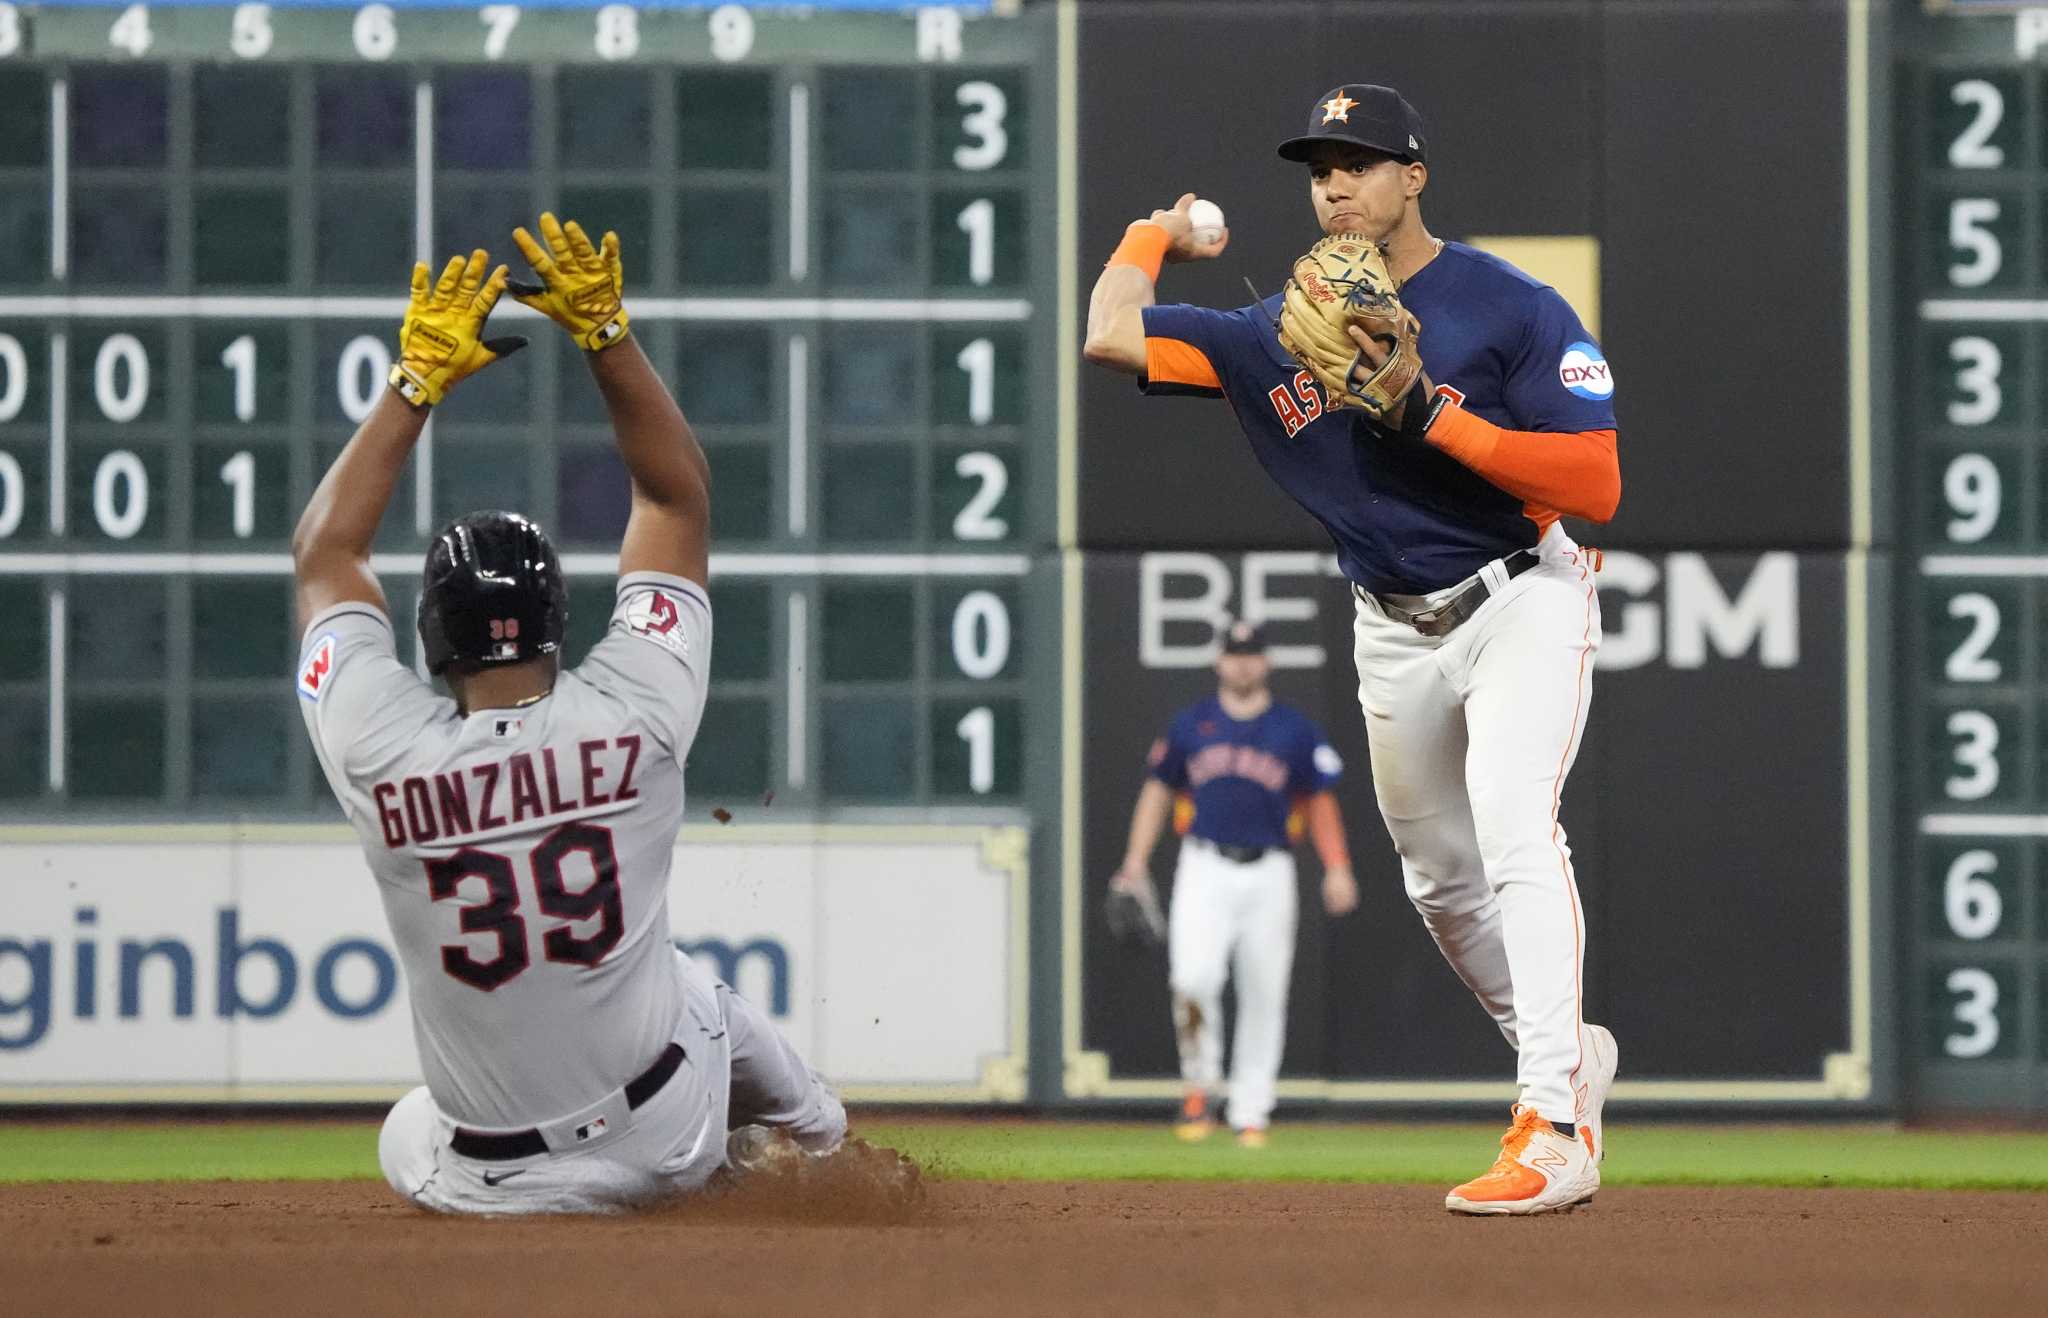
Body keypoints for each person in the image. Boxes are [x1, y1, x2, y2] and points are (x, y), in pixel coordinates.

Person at [1083, 85, 1622, 1215]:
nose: (1334, 182)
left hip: (1519, 593)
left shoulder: (1504, 306)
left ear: (1412, 175)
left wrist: (1431, 413)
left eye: (1361, 160)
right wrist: (1157, 233)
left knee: (1516, 821)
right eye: (1319, 164)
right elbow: (1108, 332)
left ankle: (1554, 1122)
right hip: (1390, 624)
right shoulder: (1267, 333)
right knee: (1437, 884)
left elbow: (1594, 482)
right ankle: (1568, 1050)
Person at [291, 215, 845, 1214]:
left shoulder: (376, 746)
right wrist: (606, 335)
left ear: (428, 634)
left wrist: (412, 384)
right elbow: (674, 501)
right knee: (698, 997)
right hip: (656, 1141)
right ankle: (825, 1149)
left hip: (483, 1178)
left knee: (403, 1127)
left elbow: (325, 555)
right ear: (556, 620)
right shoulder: (633, 708)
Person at [1113, 620, 1357, 1148]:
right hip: (1204, 865)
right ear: (1219, 661)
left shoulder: (1293, 731)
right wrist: (1135, 862)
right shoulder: (1191, 724)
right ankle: (1201, 1087)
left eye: (1251, 654)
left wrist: (1336, 866)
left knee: (1264, 993)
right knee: (1194, 979)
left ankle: (1251, 1110)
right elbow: (1157, 792)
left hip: (1271, 870)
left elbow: (1320, 801)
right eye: (1233, 654)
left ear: (1264, 662)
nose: (1242, 663)